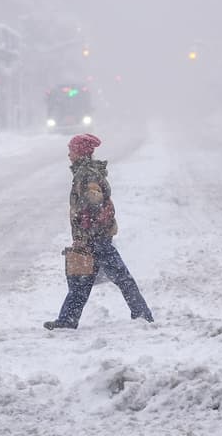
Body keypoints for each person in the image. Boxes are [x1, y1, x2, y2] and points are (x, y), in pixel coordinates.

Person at [44, 133, 153, 330]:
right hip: (93, 237)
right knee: (81, 282)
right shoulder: (84, 172)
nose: (69, 155)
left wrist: (85, 236)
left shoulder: (88, 174)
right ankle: (67, 320)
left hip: (96, 238)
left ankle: (143, 315)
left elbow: (93, 203)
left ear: (80, 152)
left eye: (71, 150)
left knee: (120, 278)